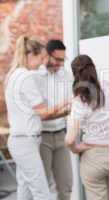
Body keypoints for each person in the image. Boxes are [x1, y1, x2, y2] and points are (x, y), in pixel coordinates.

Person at [5, 36, 69, 200]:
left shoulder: (14, 75)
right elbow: (44, 113)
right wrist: (68, 103)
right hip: (26, 141)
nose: (42, 63)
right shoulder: (26, 77)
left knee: (25, 189)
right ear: (30, 55)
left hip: (21, 140)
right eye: (41, 58)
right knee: (41, 192)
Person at [65, 55, 109, 200]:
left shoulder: (81, 99)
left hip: (94, 156)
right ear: (93, 67)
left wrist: (77, 149)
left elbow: (69, 140)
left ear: (75, 74)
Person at [36, 39, 73, 200]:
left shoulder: (65, 75)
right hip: (41, 136)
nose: (60, 64)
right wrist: (62, 109)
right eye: (57, 59)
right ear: (47, 56)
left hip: (60, 135)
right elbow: (42, 113)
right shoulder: (35, 76)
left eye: (62, 60)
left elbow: (71, 105)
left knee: (66, 186)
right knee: (41, 186)